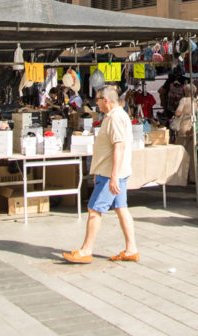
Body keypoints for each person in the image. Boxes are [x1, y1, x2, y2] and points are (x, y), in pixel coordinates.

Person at [63, 85, 138, 263]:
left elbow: (118, 146)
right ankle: (131, 249)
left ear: (105, 100)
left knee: (94, 209)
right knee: (121, 208)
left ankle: (86, 250)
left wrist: (113, 176)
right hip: (112, 171)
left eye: (97, 100)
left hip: (111, 173)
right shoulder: (116, 116)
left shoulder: (115, 117)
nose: (96, 103)